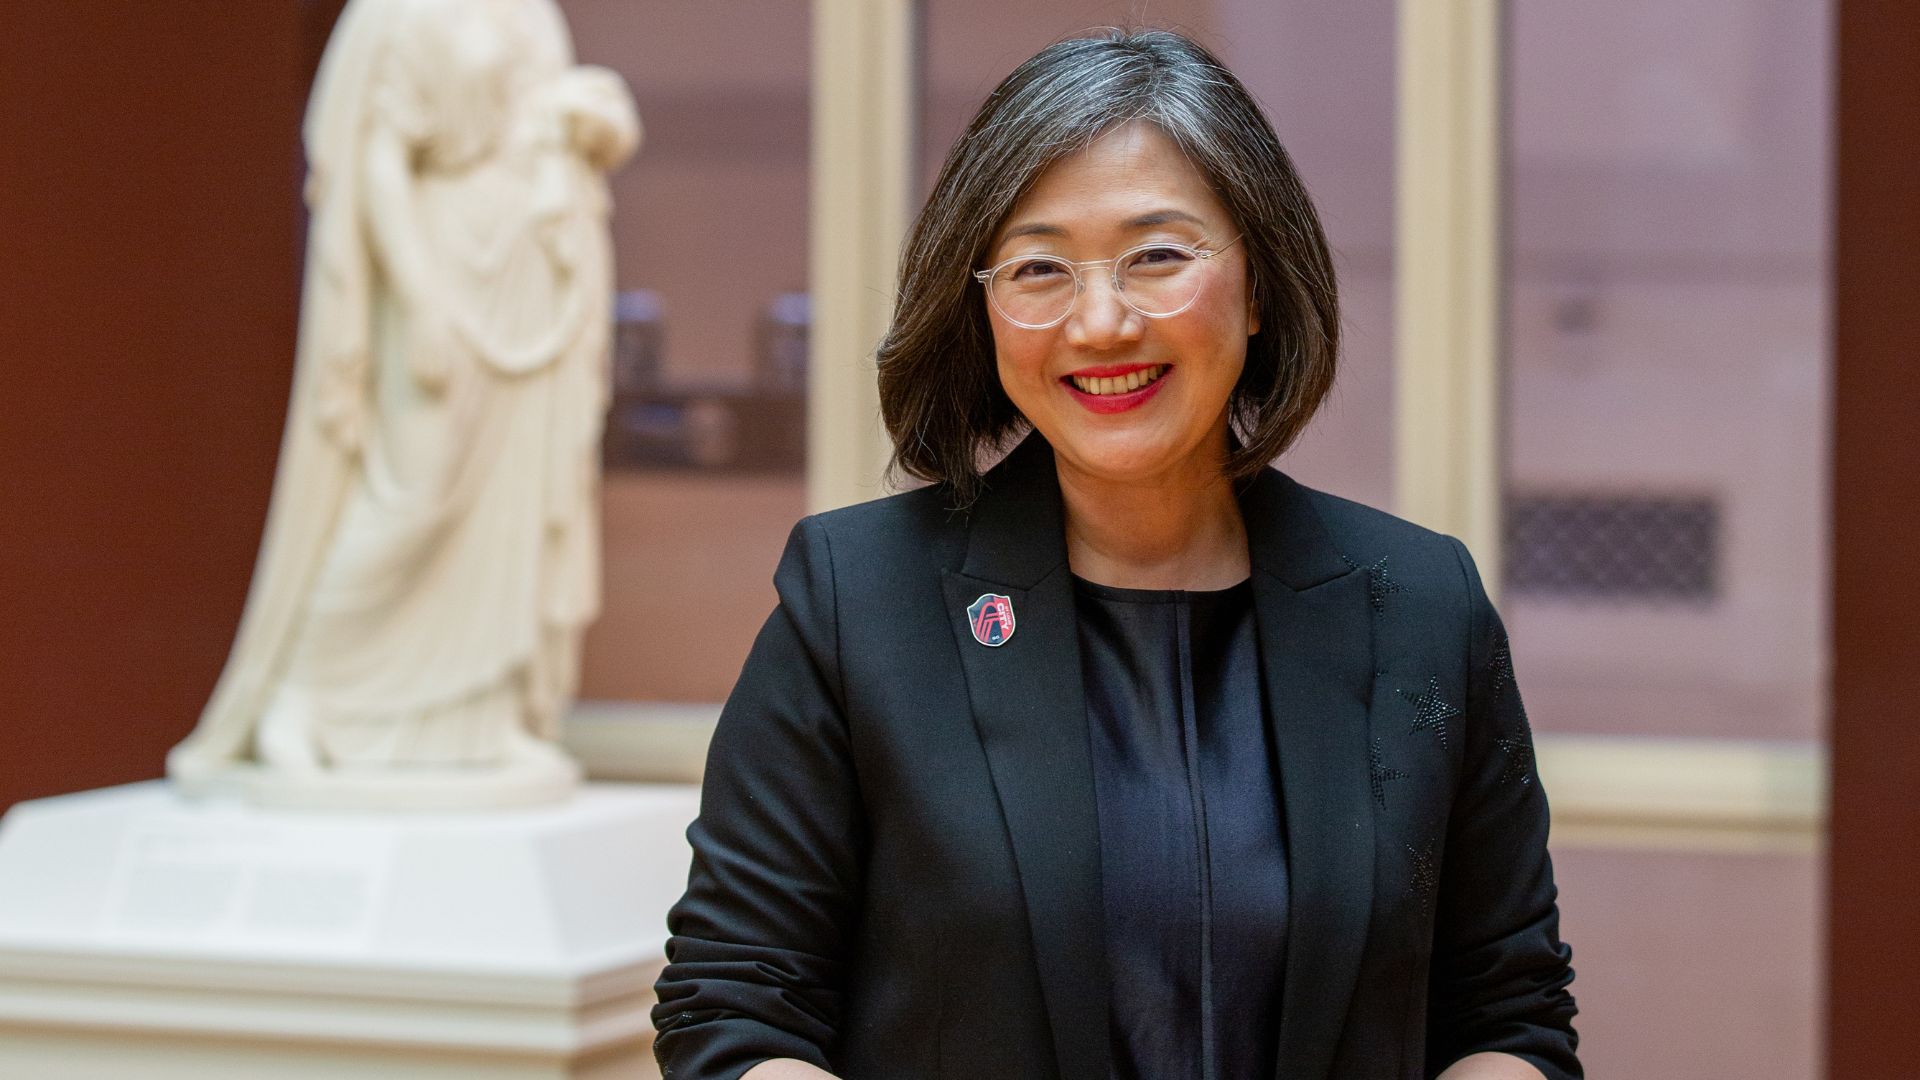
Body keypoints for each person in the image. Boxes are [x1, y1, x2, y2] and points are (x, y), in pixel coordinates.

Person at [652, 29, 1578, 1080]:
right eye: (1041, 267)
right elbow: (733, 1006)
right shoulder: (857, 601)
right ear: (986, 307)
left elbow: (1508, 1012)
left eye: (1158, 255)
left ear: (1261, 282)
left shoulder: (1418, 604)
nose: (1101, 321)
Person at [168, 0, 638, 792]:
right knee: (413, 494)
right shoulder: (399, 15)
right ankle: (303, 696)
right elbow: (376, 162)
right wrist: (418, 301)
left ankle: (484, 718)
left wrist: (584, 122)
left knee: (508, 506)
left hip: (526, 273)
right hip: (447, 259)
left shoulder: (533, 15)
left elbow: (554, 122)